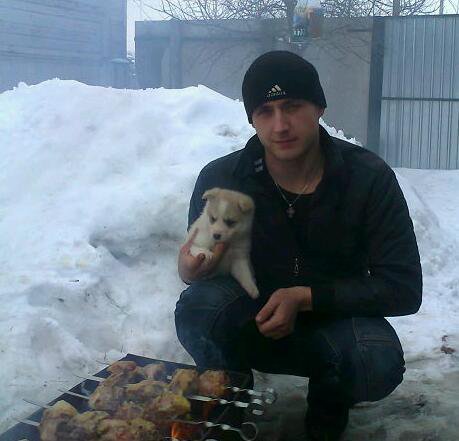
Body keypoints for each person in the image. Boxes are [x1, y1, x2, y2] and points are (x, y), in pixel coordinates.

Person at [175, 51, 422, 441]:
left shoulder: (368, 179)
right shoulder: (225, 177)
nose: (280, 125)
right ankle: (229, 394)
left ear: (319, 107)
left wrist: (306, 297)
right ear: (251, 119)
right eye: (265, 111)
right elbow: (201, 263)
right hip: (254, 321)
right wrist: (191, 269)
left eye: (292, 106)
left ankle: (328, 406)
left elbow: (403, 288)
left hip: (335, 325)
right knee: (197, 308)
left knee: (375, 360)